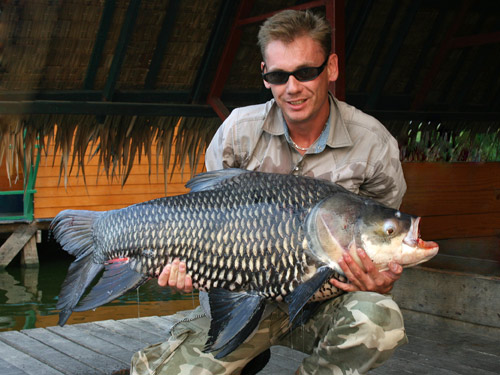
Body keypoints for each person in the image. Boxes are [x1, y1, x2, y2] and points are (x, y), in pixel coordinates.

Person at [131, 9, 407, 375]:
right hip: (236, 296)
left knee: (381, 319)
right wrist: (183, 268)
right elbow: (200, 222)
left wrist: (382, 282)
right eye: (279, 75)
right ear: (265, 75)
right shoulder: (237, 132)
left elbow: (384, 239)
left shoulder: (373, 144)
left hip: (323, 304)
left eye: (306, 72)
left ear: (332, 67)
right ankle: (244, 351)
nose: (292, 88)